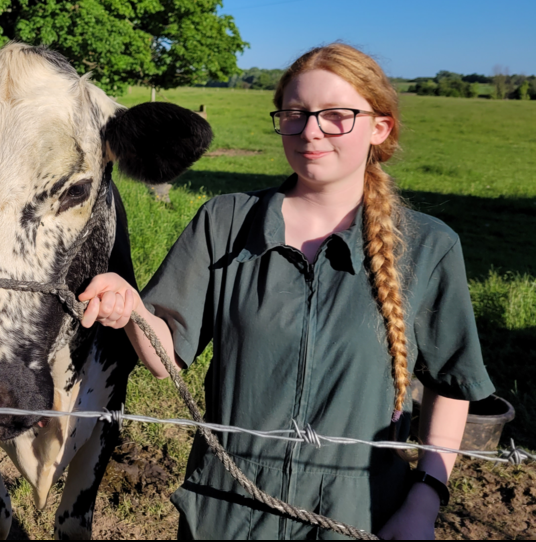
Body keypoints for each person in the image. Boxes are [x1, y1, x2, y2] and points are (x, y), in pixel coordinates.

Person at [79, 43, 494, 540]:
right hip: (230, 509)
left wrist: (425, 500)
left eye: (337, 115)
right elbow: (165, 354)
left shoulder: (428, 247)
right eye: (295, 114)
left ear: (379, 128)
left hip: (359, 516)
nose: (311, 131)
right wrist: (130, 309)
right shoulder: (226, 222)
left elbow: (452, 384)